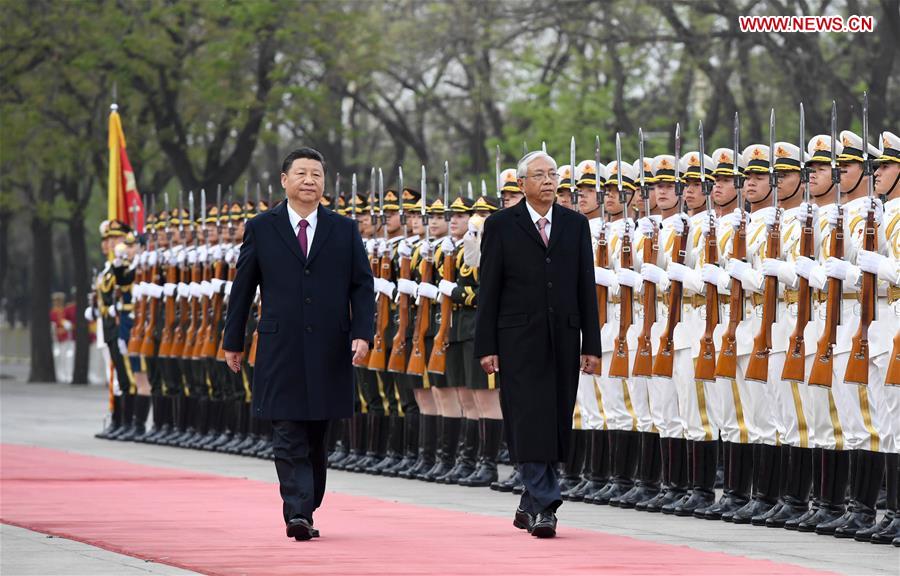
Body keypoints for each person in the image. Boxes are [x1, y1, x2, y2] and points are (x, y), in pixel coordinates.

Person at [223, 147, 374, 541]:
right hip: (280, 346)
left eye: (317, 175)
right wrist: (232, 341)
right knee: (287, 428)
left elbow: (362, 285)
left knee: (317, 434)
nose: (310, 181)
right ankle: (298, 511)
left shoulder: (344, 229)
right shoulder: (261, 227)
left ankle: (308, 500)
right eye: (302, 174)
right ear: (284, 180)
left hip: (330, 345)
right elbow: (243, 289)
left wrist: (363, 333)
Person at [474, 150, 601, 538]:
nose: (548, 181)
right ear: (522, 183)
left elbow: (585, 286)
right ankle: (546, 503)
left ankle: (530, 502)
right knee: (527, 417)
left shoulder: (575, 225)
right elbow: (489, 289)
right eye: (539, 175)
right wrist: (486, 345)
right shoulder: (500, 225)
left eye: (553, 175)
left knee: (556, 417)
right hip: (517, 339)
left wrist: (591, 345)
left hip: (563, 335)